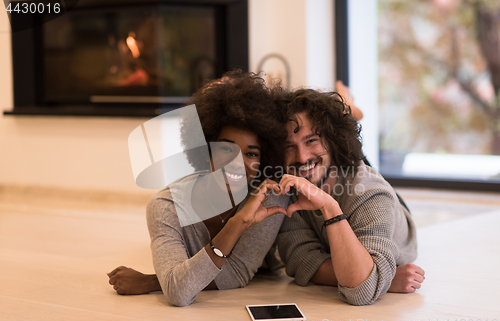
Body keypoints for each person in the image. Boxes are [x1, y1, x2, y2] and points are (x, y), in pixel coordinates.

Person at [108, 71, 289, 306]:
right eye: (226, 149)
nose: (238, 163)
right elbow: (180, 294)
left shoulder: (269, 197)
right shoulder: (166, 207)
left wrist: (156, 281)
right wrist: (238, 223)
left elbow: (236, 273)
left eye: (251, 153)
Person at [275, 88, 424, 306]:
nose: (301, 156)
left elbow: (361, 291)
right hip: (338, 175)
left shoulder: (371, 193)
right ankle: (345, 109)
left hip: (392, 214)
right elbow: (300, 261)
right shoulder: (290, 186)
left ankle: (346, 109)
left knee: (356, 164)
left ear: (331, 139)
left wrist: (329, 207)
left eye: (312, 140)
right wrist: (381, 279)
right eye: (289, 146)